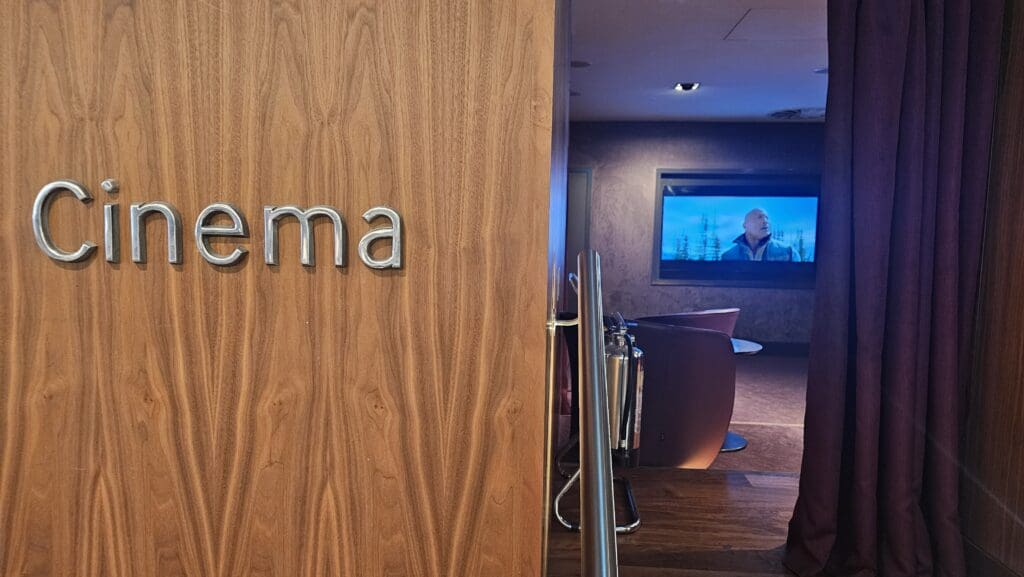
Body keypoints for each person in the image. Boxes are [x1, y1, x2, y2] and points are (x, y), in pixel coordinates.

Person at [720, 208, 800, 262]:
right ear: (745, 225)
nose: (765, 221)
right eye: (760, 217)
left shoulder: (788, 252)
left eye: (767, 218)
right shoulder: (728, 256)